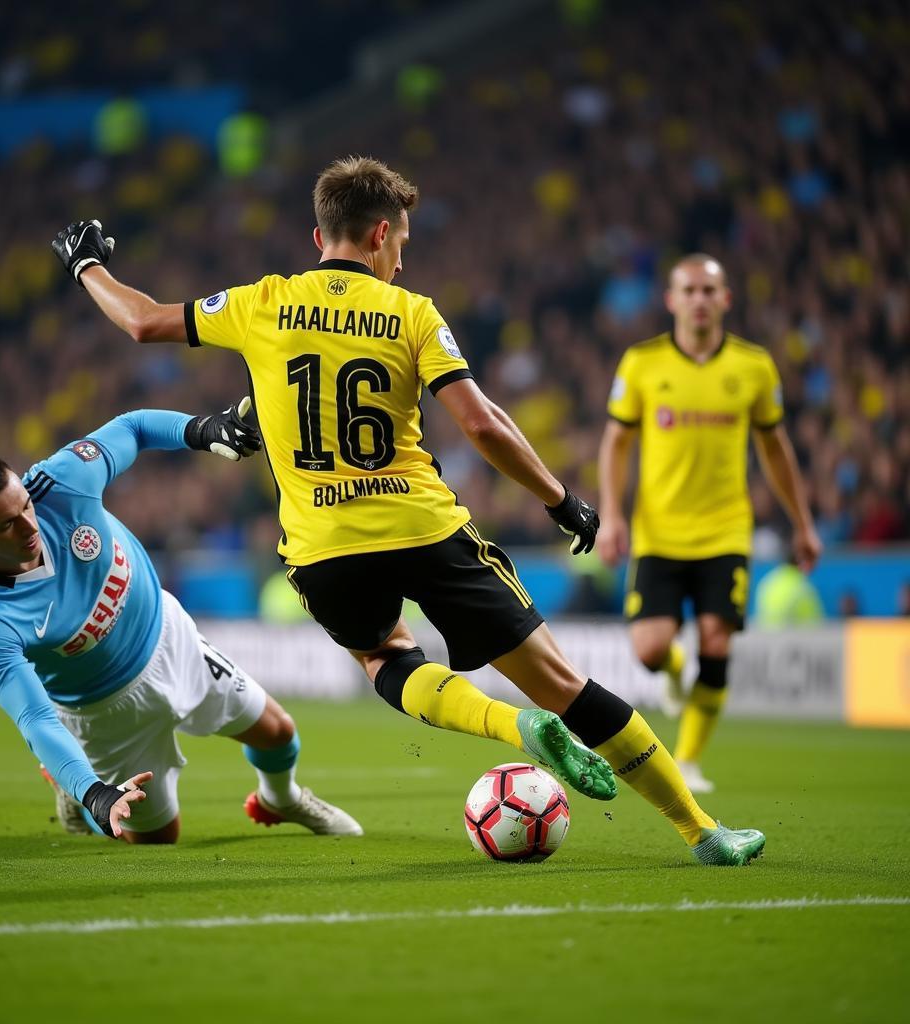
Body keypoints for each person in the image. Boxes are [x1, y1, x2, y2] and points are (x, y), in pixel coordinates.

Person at [51, 158, 764, 865]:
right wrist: (560, 500)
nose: (400, 259)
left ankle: (515, 728)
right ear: (381, 234)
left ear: (318, 235)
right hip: (423, 525)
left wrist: (87, 267)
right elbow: (482, 426)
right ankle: (702, 831)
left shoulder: (260, 302)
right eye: (402, 246)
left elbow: (142, 322)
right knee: (567, 685)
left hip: (323, 547)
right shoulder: (411, 312)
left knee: (386, 657)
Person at [0, 406, 362, 843]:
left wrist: (198, 429)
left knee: (278, 733)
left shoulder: (60, 482)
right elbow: (36, 719)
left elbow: (132, 428)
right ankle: (72, 779)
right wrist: (94, 793)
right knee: (159, 839)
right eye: (6, 524)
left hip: (169, 636)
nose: (30, 524)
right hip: (106, 711)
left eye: (24, 504)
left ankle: (281, 798)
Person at [597, 254, 822, 793]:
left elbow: (775, 448)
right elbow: (616, 442)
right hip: (659, 532)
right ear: (672, 300)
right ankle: (675, 671)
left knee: (717, 642)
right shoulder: (642, 363)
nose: (699, 299)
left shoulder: (753, 367)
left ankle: (688, 760)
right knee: (651, 650)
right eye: (690, 290)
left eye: (709, 290)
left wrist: (803, 522)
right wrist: (613, 513)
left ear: (725, 300)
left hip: (725, 530)